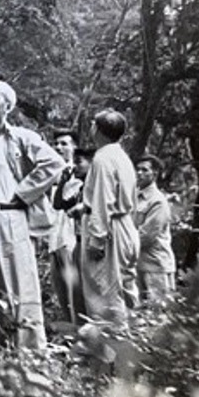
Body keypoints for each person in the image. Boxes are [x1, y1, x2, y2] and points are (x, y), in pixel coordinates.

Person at [0, 80, 65, 348]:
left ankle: (31, 354)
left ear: (7, 106)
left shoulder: (20, 137)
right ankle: (1, 353)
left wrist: (23, 193)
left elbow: (54, 162)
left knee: (18, 288)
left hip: (10, 217)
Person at [81, 109, 140, 324]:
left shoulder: (103, 158)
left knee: (104, 292)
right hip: (124, 225)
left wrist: (97, 239)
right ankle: (130, 343)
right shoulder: (121, 156)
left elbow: (102, 200)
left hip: (110, 229)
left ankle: (110, 349)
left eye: (93, 124)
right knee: (125, 289)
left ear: (98, 130)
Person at [49, 130, 86, 324]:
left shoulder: (80, 173)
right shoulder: (56, 173)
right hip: (55, 239)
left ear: (74, 147)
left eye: (64, 144)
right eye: (56, 144)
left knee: (76, 292)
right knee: (62, 293)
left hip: (71, 239)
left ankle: (83, 336)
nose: (58, 148)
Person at [133, 155, 176, 301]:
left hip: (156, 266)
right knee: (139, 314)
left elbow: (146, 236)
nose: (139, 173)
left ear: (155, 174)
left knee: (158, 315)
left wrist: (120, 245)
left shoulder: (158, 201)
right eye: (137, 169)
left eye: (144, 170)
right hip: (139, 264)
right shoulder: (134, 197)